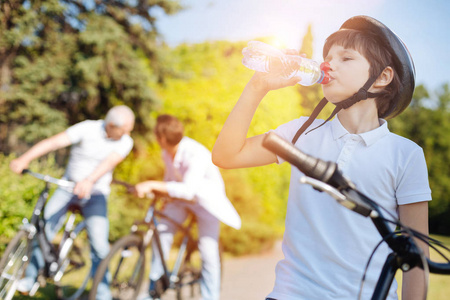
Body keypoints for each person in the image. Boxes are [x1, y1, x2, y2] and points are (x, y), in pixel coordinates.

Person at [212, 15, 430, 300]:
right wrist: (257, 88)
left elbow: (416, 252)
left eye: (346, 58)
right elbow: (226, 155)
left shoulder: (405, 155)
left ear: (382, 78)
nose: (329, 64)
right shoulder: (302, 132)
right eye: (327, 56)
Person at [10, 105, 135, 300]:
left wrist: (89, 181)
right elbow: (54, 143)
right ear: (112, 125)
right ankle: (29, 279)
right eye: (125, 129)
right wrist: (24, 159)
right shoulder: (88, 128)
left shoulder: (126, 141)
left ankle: (102, 295)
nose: (128, 133)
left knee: (100, 246)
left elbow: (109, 163)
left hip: (96, 195)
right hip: (67, 189)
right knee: (43, 229)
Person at [134, 114, 241, 300]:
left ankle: (210, 297)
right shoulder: (166, 151)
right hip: (183, 201)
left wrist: (152, 184)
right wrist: (165, 194)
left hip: (206, 203)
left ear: (161, 139)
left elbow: (189, 190)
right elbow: (171, 178)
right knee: (162, 233)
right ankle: (154, 290)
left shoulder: (195, 154)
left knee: (208, 251)